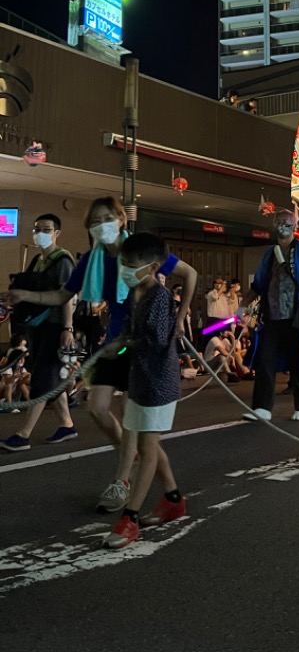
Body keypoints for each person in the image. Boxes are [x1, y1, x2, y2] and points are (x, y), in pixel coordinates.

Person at [0, 197, 196, 510]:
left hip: (143, 343)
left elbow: (190, 274)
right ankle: (160, 483)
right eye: (94, 221)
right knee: (97, 407)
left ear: (121, 219)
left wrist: (181, 317)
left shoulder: (142, 251)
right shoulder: (91, 259)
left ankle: (123, 483)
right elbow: (63, 294)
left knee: (136, 423)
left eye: (106, 218)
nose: (100, 225)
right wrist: (24, 294)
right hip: (114, 342)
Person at [103, 233, 186, 548]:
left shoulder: (160, 296)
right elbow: (131, 330)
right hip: (140, 378)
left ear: (152, 267)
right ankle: (173, 499)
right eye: (123, 263)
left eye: (130, 264)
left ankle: (130, 517)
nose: (124, 268)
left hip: (158, 381)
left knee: (148, 447)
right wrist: (117, 344)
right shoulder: (137, 292)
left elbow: (156, 341)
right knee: (145, 439)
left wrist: (124, 346)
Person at [0, 214, 77, 451]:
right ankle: (66, 424)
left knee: (43, 378)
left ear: (57, 233)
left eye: (46, 229)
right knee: (50, 374)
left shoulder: (63, 260)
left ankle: (23, 435)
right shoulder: (37, 260)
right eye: (37, 229)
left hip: (55, 326)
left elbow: (67, 296)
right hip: (39, 326)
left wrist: (67, 328)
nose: (40, 233)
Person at [241, 209, 299, 422]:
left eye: (287, 222)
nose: (283, 225)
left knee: (298, 363)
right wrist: (242, 306)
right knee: (264, 361)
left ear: (295, 226)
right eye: (279, 222)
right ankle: (262, 408)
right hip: (271, 318)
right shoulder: (269, 254)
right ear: (273, 225)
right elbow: (258, 285)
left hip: (295, 317)